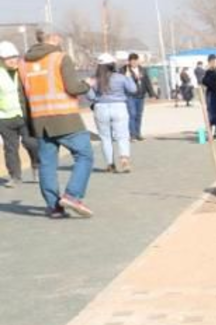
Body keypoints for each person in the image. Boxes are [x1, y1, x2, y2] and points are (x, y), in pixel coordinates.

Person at [21, 31, 94, 217]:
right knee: (84, 155)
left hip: (39, 121)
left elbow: (23, 98)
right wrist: (87, 84)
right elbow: (72, 87)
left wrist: (30, 125)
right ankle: (72, 195)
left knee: (47, 164)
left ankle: (54, 207)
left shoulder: (24, 64)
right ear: (53, 37)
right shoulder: (61, 58)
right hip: (65, 118)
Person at [88, 53, 137, 174]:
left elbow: (90, 96)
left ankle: (110, 164)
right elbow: (133, 90)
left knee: (105, 138)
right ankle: (124, 159)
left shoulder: (94, 79)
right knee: (122, 135)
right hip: (119, 107)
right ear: (112, 65)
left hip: (100, 108)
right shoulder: (120, 77)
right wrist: (129, 77)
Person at [0, 41, 37, 189]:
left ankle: (37, 167)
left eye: (15, 57)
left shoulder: (23, 72)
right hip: (4, 118)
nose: (13, 60)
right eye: (9, 58)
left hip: (24, 115)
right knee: (10, 148)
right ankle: (15, 176)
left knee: (31, 143)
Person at [123, 52, 150, 141]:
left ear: (138, 61)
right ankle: (132, 135)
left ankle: (138, 134)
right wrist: (135, 78)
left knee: (139, 115)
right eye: (132, 61)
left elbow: (147, 81)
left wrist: (152, 93)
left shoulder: (142, 69)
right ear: (129, 61)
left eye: (135, 61)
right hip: (130, 96)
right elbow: (124, 81)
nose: (134, 63)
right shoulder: (124, 70)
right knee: (132, 114)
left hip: (141, 95)